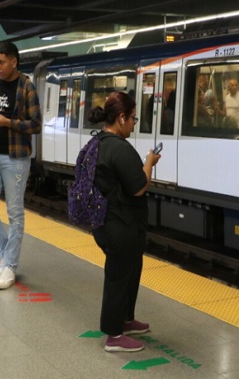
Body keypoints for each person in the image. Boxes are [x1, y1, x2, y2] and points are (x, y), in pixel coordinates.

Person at [86, 91, 160, 352]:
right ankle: (114, 336)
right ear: (121, 118)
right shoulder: (119, 148)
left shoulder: (98, 142)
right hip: (120, 224)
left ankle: (126, 320)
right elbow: (139, 187)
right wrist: (150, 162)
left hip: (109, 221)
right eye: (132, 119)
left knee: (130, 271)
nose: (133, 124)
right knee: (118, 278)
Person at [0, 41, 42, 290]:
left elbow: (36, 124)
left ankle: (11, 266)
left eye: (2, 62)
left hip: (15, 158)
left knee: (15, 213)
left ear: (14, 62)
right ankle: (6, 254)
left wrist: (9, 123)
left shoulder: (26, 86)